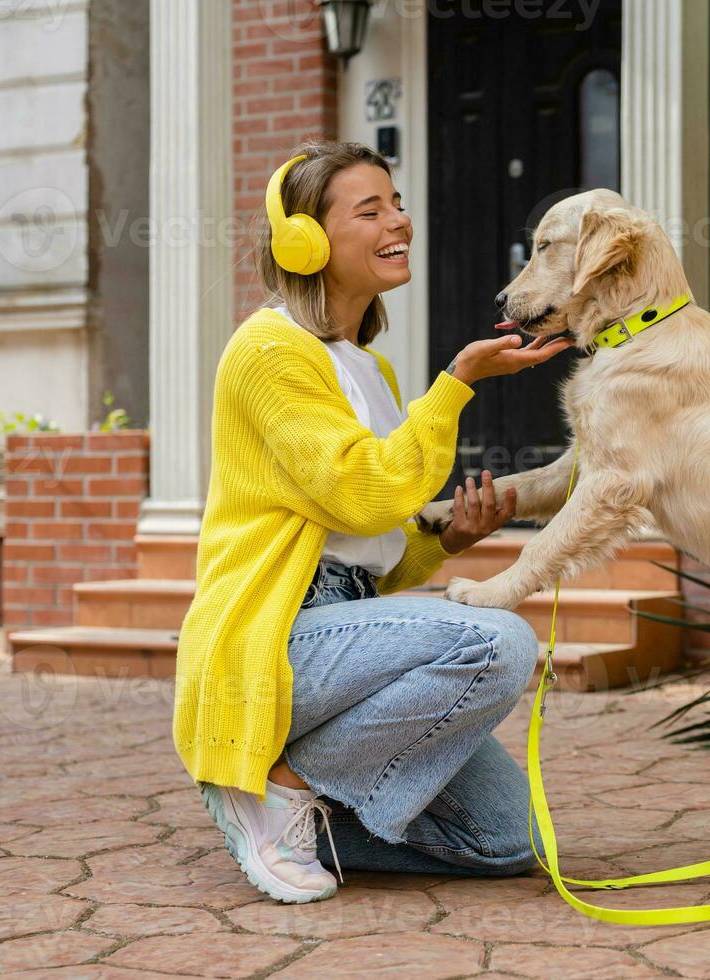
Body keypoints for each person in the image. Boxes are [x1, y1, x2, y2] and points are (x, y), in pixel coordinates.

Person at [172, 138, 574, 903]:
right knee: (496, 642)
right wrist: (456, 383)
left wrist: (448, 540)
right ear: (306, 240)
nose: (400, 220)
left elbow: (372, 547)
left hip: (347, 619)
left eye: (396, 202)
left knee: (503, 841)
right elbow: (364, 494)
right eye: (371, 209)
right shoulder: (266, 352)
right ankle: (277, 786)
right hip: (274, 631)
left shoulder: (369, 366)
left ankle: (274, 791)